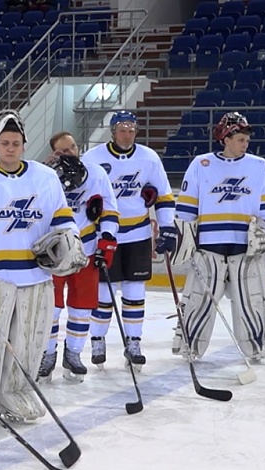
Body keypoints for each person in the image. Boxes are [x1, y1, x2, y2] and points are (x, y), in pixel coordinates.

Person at [0, 110, 83, 426]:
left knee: (28, 343)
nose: (10, 148)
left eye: (16, 143)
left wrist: (69, 241)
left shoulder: (44, 177)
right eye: (5, 142)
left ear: (24, 144)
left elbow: (62, 219)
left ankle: (15, 393)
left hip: (35, 277)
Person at [169, 111, 265, 362]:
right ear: (226, 138)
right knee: (200, 299)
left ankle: (256, 347)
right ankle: (191, 346)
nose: (245, 144)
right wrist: (181, 235)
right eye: (240, 139)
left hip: (245, 246)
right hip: (209, 244)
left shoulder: (258, 165)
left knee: (250, 300)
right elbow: (186, 205)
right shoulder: (201, 163)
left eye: (246, 140)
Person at [82, 111, 177, 370]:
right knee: (103, 294)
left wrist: (167, 227)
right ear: (112, 131)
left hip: (138, 234)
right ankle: (98, 339)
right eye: (122, 129)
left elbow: (165, 196)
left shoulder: (149, 157)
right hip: (105, 237)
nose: (127, 133)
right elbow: (78, 194)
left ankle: (133, 341)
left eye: (132, 128)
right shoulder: (92, 158)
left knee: (135, 292)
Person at [38, 133, 119, 380]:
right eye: (64, 150)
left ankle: (73, 353)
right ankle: (47, 354)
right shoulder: (43, 176)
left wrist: (107, 239)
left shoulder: (96, 173)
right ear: (55, 153)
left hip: (86, 249)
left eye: (73, 146)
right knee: (50, 309)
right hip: (55, 252)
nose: (71, 152)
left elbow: (111, 209)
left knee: (82, 308)